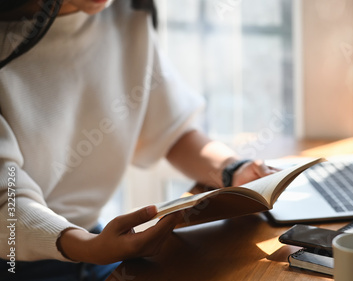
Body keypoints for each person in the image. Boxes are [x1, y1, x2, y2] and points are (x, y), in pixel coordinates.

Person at [0, 0, 277, 280]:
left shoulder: (126, 11)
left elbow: (170, 130)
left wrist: (233, 169)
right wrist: (88, 247)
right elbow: (6, 202)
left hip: (94, 244)